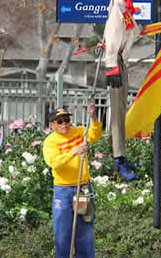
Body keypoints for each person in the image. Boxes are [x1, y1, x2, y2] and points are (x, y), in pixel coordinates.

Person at [43, 103, 102, 258]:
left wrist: (93, 117)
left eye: (67, 120)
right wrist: (74, 152)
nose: (65, 124)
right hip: (63, 191)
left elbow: (96, 134)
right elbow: (54, 163)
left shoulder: (80, 132)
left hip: (82, 190)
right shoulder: (50, 142)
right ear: (52, 125)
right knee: (63, 235)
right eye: (60, 121)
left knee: (84, 233)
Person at [103, 0, 142, 181]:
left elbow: (129, 31)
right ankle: (118, 159)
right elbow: (112, 37)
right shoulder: (118, 6)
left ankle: (119, 153)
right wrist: (111, 68)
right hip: (115, 62)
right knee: (117, 113)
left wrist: (147, 31)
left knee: (120, 110)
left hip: (120, 61)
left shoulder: (124, 1)